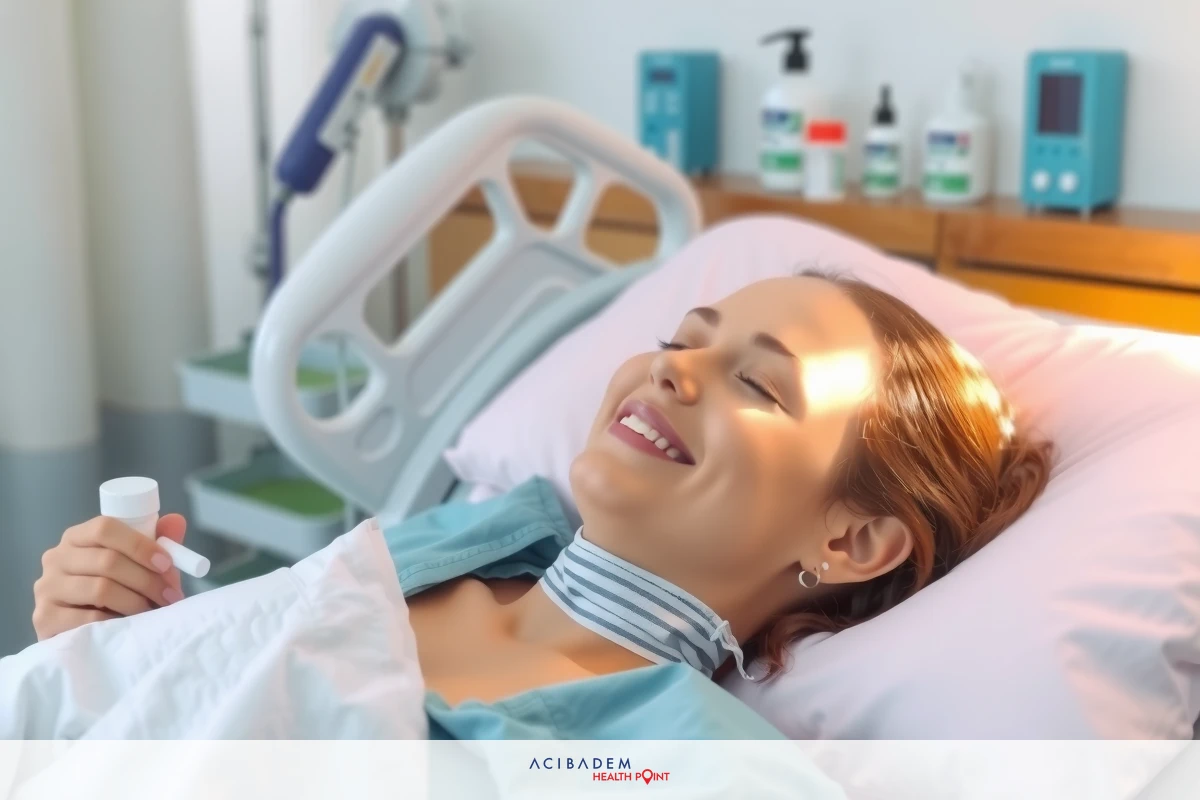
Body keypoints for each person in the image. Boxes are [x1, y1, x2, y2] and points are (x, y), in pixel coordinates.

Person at [30, 272, 1053, 738]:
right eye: (682, 337)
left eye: (757, 382)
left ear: (854, 538)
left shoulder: (675, 757)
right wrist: (120, 633)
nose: (672, 369)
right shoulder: (471, 536)